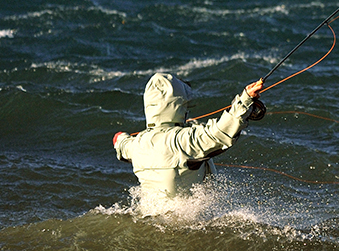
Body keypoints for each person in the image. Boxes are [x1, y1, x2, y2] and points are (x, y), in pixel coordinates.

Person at [113, 72, 266, 198]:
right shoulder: (182, 140)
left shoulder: (136, 144)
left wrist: (119, 138)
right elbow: (220, 133)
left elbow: (120, 144)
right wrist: (245, 99)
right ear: (177, 106)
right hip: (183, 226)